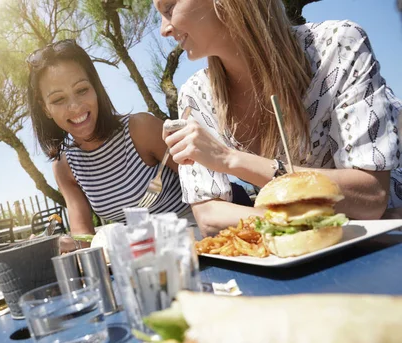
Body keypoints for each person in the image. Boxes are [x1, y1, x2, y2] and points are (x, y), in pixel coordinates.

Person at [154, 0, 402, 235]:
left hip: (382, 240)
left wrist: (230, 160)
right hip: (293, 257)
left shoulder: (338, 45)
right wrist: (293, 225)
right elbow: (210, 217)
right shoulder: (194, 94)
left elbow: (371, 197)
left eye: (169, 7)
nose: (164, 30)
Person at [26, 39, 193, 237]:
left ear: (95, 88)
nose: (75, 107)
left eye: (82, 90)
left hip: (196, 234)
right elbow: (83, 236)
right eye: (58, 99)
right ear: (45, 107)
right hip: (144, 252)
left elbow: (206, 185)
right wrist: (62, 243)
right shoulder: (64, 167)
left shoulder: (140, 129)